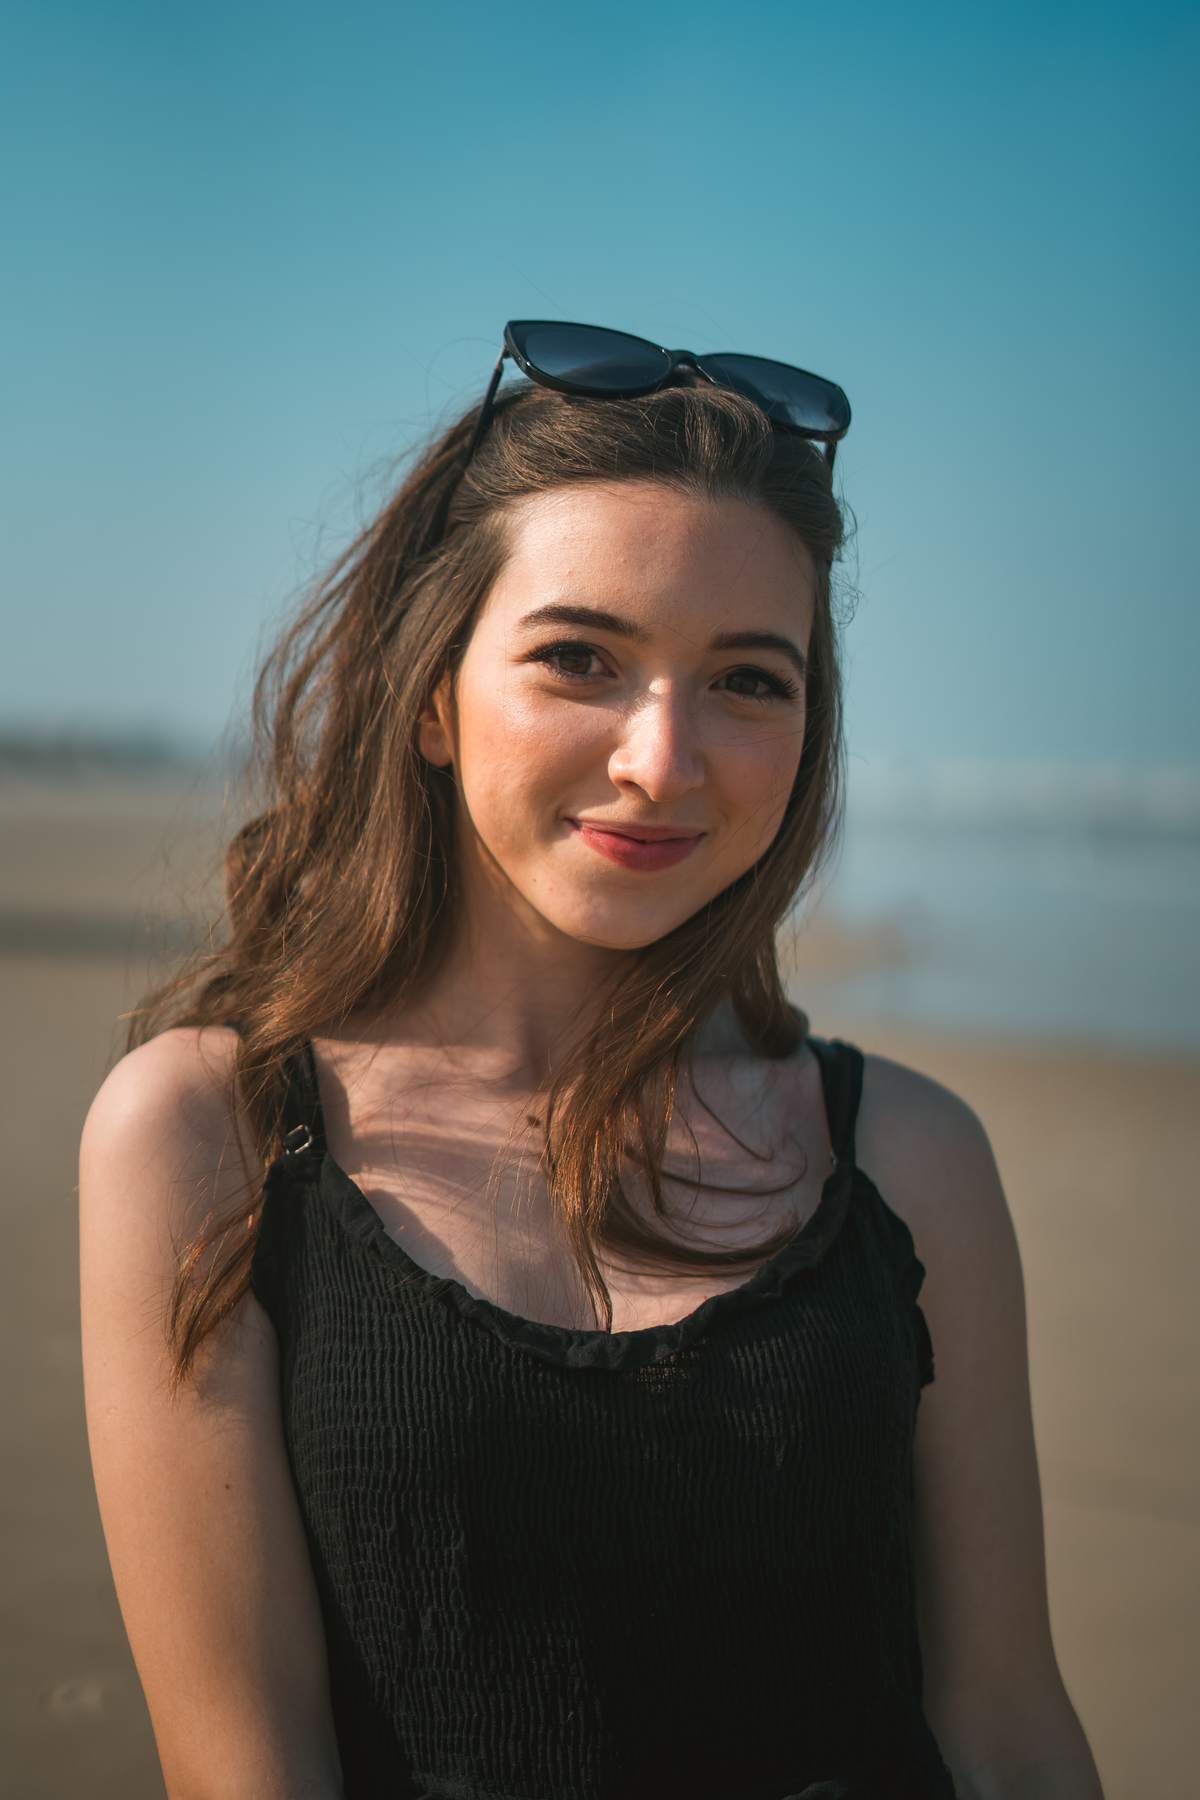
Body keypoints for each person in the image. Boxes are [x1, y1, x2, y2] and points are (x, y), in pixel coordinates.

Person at [80, 323, 1104, 1800]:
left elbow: (1009, 1734)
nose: (662, 760)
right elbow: (247, 1769)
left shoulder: (907, 1157)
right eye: (580, 659)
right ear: (431, 695)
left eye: (748, 680)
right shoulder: (210, 1138)